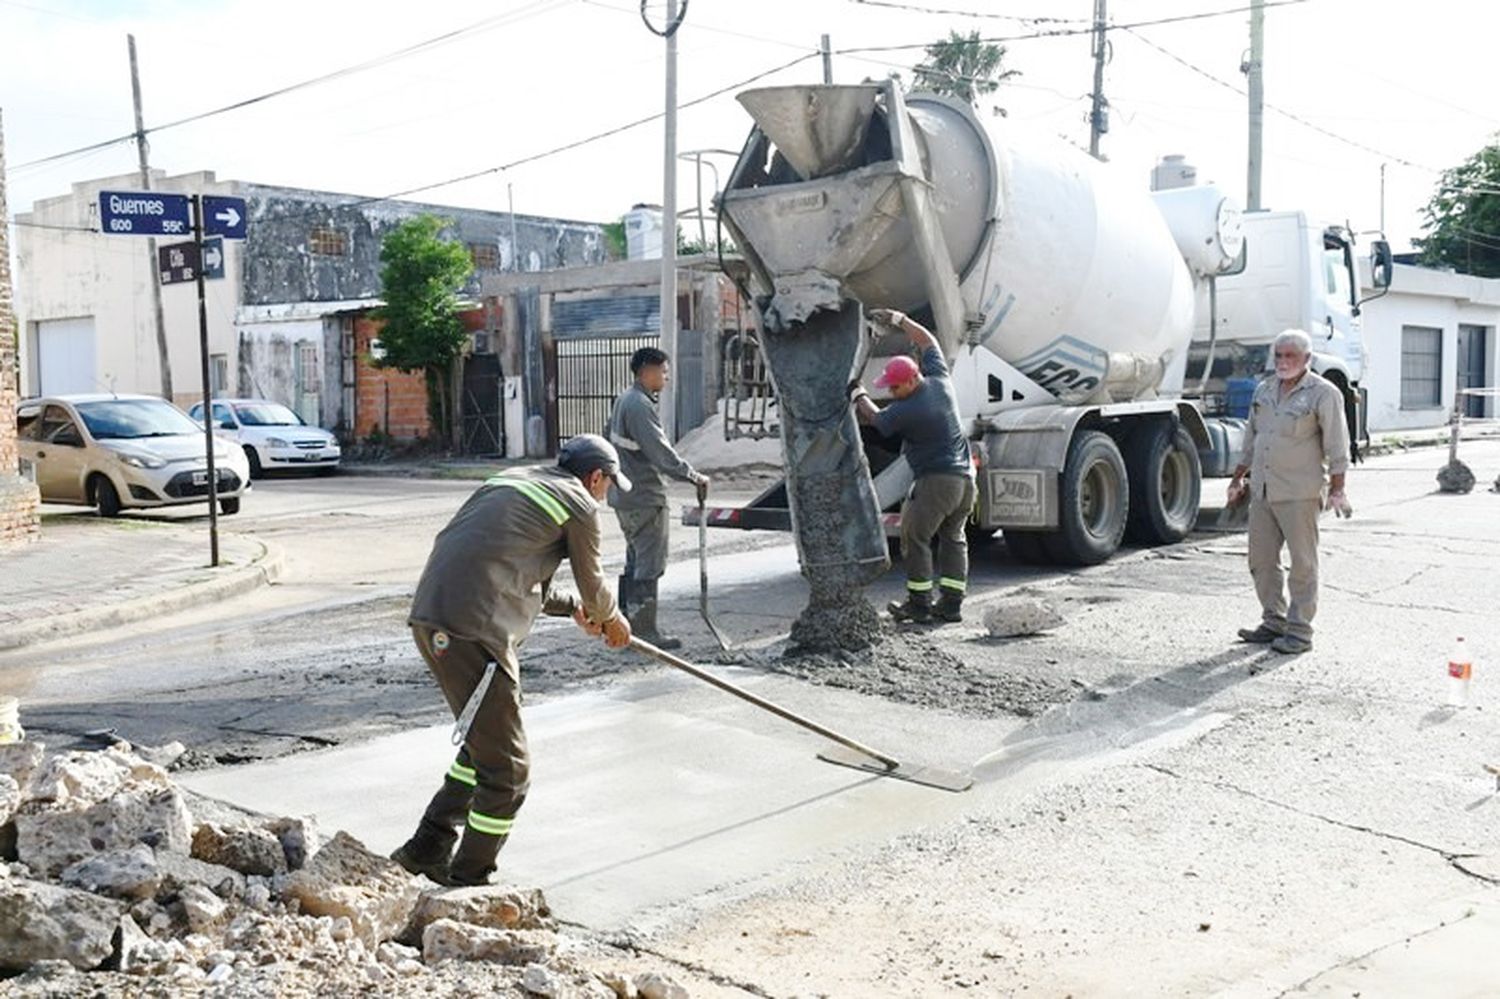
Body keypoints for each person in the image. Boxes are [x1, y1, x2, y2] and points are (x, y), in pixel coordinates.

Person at [393, 434, 632, 887]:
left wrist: (573, 610)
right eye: (608, 485)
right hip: (474, 631)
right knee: (509, 771)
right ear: (595, 477)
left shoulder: (513, 479)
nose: (605, 494)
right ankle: (468, 881)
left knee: (484, 747)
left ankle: (427, 847)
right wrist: (611, 619)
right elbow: (594, 584)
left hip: (433, 618)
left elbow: (505, 567)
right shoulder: (580, 503)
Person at [1227, 329, 1353, 655]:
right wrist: (1237, 479)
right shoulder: (1265, 390)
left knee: (1303, 565)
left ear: (1307, 359)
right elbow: (1252, 441)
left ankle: (1299, 633)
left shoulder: (1323, 394)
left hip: (1301, 492)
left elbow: (1338, 445)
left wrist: (1338, 489)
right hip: (1263, 491)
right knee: (1261, 560)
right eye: (1279, 355)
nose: (1283, 362)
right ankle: (1274, 621)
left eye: (1290, 356)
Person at [851, 309, 977, 624]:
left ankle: (919, 604)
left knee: (915, 538)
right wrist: (900, 320)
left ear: (910, 380)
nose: (890, 393)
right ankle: (951, 605)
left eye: (894, 388)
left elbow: (878, 421)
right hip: (965, 481)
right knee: (953, 537)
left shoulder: (910, 409)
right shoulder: (939, 382)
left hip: (937, 482)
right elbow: (928, 341)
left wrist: (858, 393)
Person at [607, 346, 709, 650]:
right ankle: (643, 633)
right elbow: (661, 453)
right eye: (663, 371)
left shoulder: (625, 400)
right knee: (648, 565)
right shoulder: (639, 405)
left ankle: (624, 627)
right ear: (645, 371)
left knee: (635, 562)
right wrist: (693, 476)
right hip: (643, 496)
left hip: (625, 495)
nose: (666, 377)